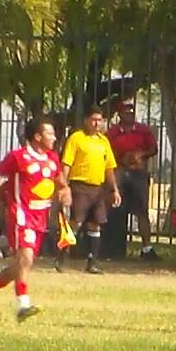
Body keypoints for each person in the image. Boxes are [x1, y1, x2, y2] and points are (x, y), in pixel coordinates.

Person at [0, 117, 70, 322]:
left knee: (21, 265)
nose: (54, 137)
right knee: (25, 259)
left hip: (40, 217)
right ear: (37, 137)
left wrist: (65, 193)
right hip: (20, 214)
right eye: (50, 134)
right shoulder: (17, 157)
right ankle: (22, 305)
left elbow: (60, 183)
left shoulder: (52, 158)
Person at [59, 108, 120, 274]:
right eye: (94, 120)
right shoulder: (76, 138)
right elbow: (66, 164)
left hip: (98, 188)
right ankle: (62, 258)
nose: (97, 123)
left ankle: (92, 262)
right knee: (76, 223)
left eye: (100, 120)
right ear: (86, 120)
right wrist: (63, 186)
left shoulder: (103, 141)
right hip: (80, 186)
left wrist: (114, 189)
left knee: (96, 224)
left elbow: (110, 168)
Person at [108, 100, 160, 261]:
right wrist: (121, 159)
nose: (129, 113)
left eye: (132, 110)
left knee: (142, 211)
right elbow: (107, 150)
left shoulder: (143, 130)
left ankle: (146, 248)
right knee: (115, 208)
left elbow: (154, 148)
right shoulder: (113, 131)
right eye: (125, 111)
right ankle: (113, 247)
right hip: (120, 171)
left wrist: (140, 154)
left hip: (139, 173)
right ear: (119, 113)